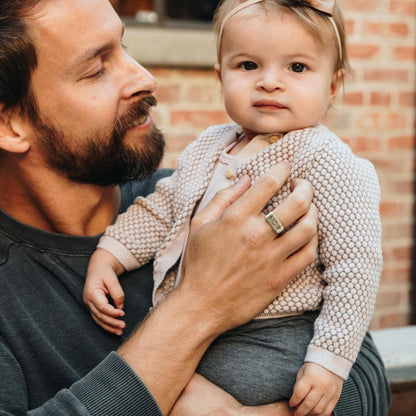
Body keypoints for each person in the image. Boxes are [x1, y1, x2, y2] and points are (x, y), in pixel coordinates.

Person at [0, 0, 390, 415]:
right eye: (97, 68)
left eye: (124, 47)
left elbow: (363, 366)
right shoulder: (200, 170)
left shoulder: (308, 169)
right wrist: (199, 301)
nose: (145, 78)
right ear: (9, 124)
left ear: (333, 84)